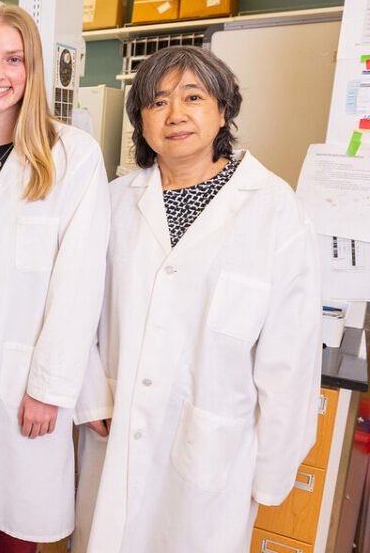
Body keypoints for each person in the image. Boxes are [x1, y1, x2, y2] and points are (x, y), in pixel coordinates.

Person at [75, 45, 321, 552]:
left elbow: (290, 355)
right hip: (115, 430)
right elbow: (78, 311)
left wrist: (274, 469)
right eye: (158, 102)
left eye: (193, 97)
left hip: (213, 452)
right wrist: (89, 390)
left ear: (223, 109)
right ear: (140, 121)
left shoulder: (274, 210)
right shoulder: (115, 201)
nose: (176, 114)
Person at [0, 5, 110, 553]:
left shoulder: (73, 156)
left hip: (26, 390)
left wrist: (48, 387)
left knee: (14, 534)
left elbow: (80, 283)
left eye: (13, 59)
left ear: (33, 68)